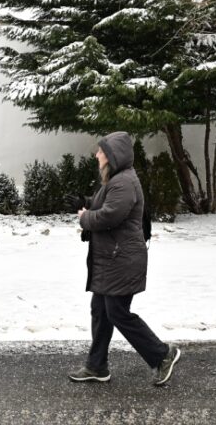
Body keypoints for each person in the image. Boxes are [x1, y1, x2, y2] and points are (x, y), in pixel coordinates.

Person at [67, 131, 181, 387]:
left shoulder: (124, 182)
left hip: (122, 260)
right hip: (112, 259)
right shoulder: (116, 180)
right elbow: (104, 205)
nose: (97, 155)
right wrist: (84, 202)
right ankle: (97, 366)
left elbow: (109, 216)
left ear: (112, 155)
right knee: (100, 310)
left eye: (100, 151)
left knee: (117, 312)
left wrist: (84, 218)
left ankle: (163, 355)